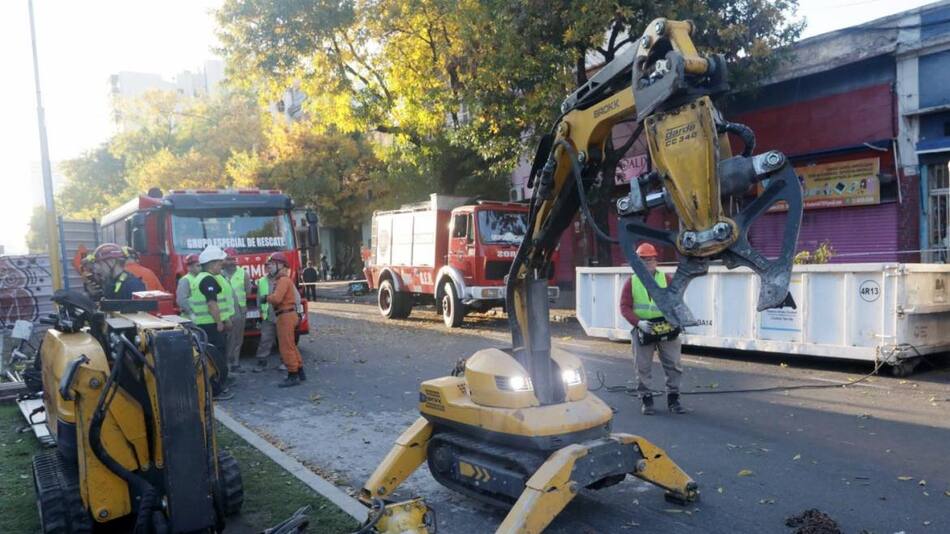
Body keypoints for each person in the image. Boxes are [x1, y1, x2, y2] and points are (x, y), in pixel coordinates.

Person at [618, 242, 686, 415]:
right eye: (644, 259)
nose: (648, 262)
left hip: (666, 326)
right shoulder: (632, 282)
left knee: (674, 364)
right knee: (642, 366)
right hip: (644, 328)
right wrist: (638, 323)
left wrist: (676, 321)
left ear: (656, 260)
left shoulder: (665, 279)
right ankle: (646, 400)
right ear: (638, 262)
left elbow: (676, 302)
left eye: (651, 259)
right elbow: (625, 307)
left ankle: (674, 399)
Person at [190, 245, 235, 399]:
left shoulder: (200, 278)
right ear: (212, 264)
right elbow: (212, 304)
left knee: (209, 357)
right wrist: (220, 322)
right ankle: (215, 390)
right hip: (210, 326)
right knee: (215, 359)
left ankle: (214, 387)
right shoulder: (208, 279)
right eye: (219, 263)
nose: (221, 266)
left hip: (204, 325)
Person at [266, 252, 305, 387]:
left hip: (285, 316)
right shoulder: (284, 280)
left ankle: (293, 375)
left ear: (281, 265)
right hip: (288, 315)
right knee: (291, 345)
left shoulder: (282, 281)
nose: (269, 267)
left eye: (272, 264)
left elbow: (277, 299)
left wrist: (267, 297)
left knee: (286, 347)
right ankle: (299, 371)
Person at [222, 248, 252, 374]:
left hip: (240, 309)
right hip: (225, 310)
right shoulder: (219, 274)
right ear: (223, 260)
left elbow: (248, 291)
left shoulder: (243, 273)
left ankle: (235, 363)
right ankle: (226, 363)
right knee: (227, 338)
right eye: (228, 259)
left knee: (238, 338)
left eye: (233, 259)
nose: (231, 262)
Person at [176, 254, 201, 321]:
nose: (200, 268)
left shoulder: (200, 278)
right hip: (189, 318)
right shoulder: (185, 280)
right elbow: (181, 300)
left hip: (200, 317)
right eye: (198, 266)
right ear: (190, 267)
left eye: (201, 265)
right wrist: (190, 313)